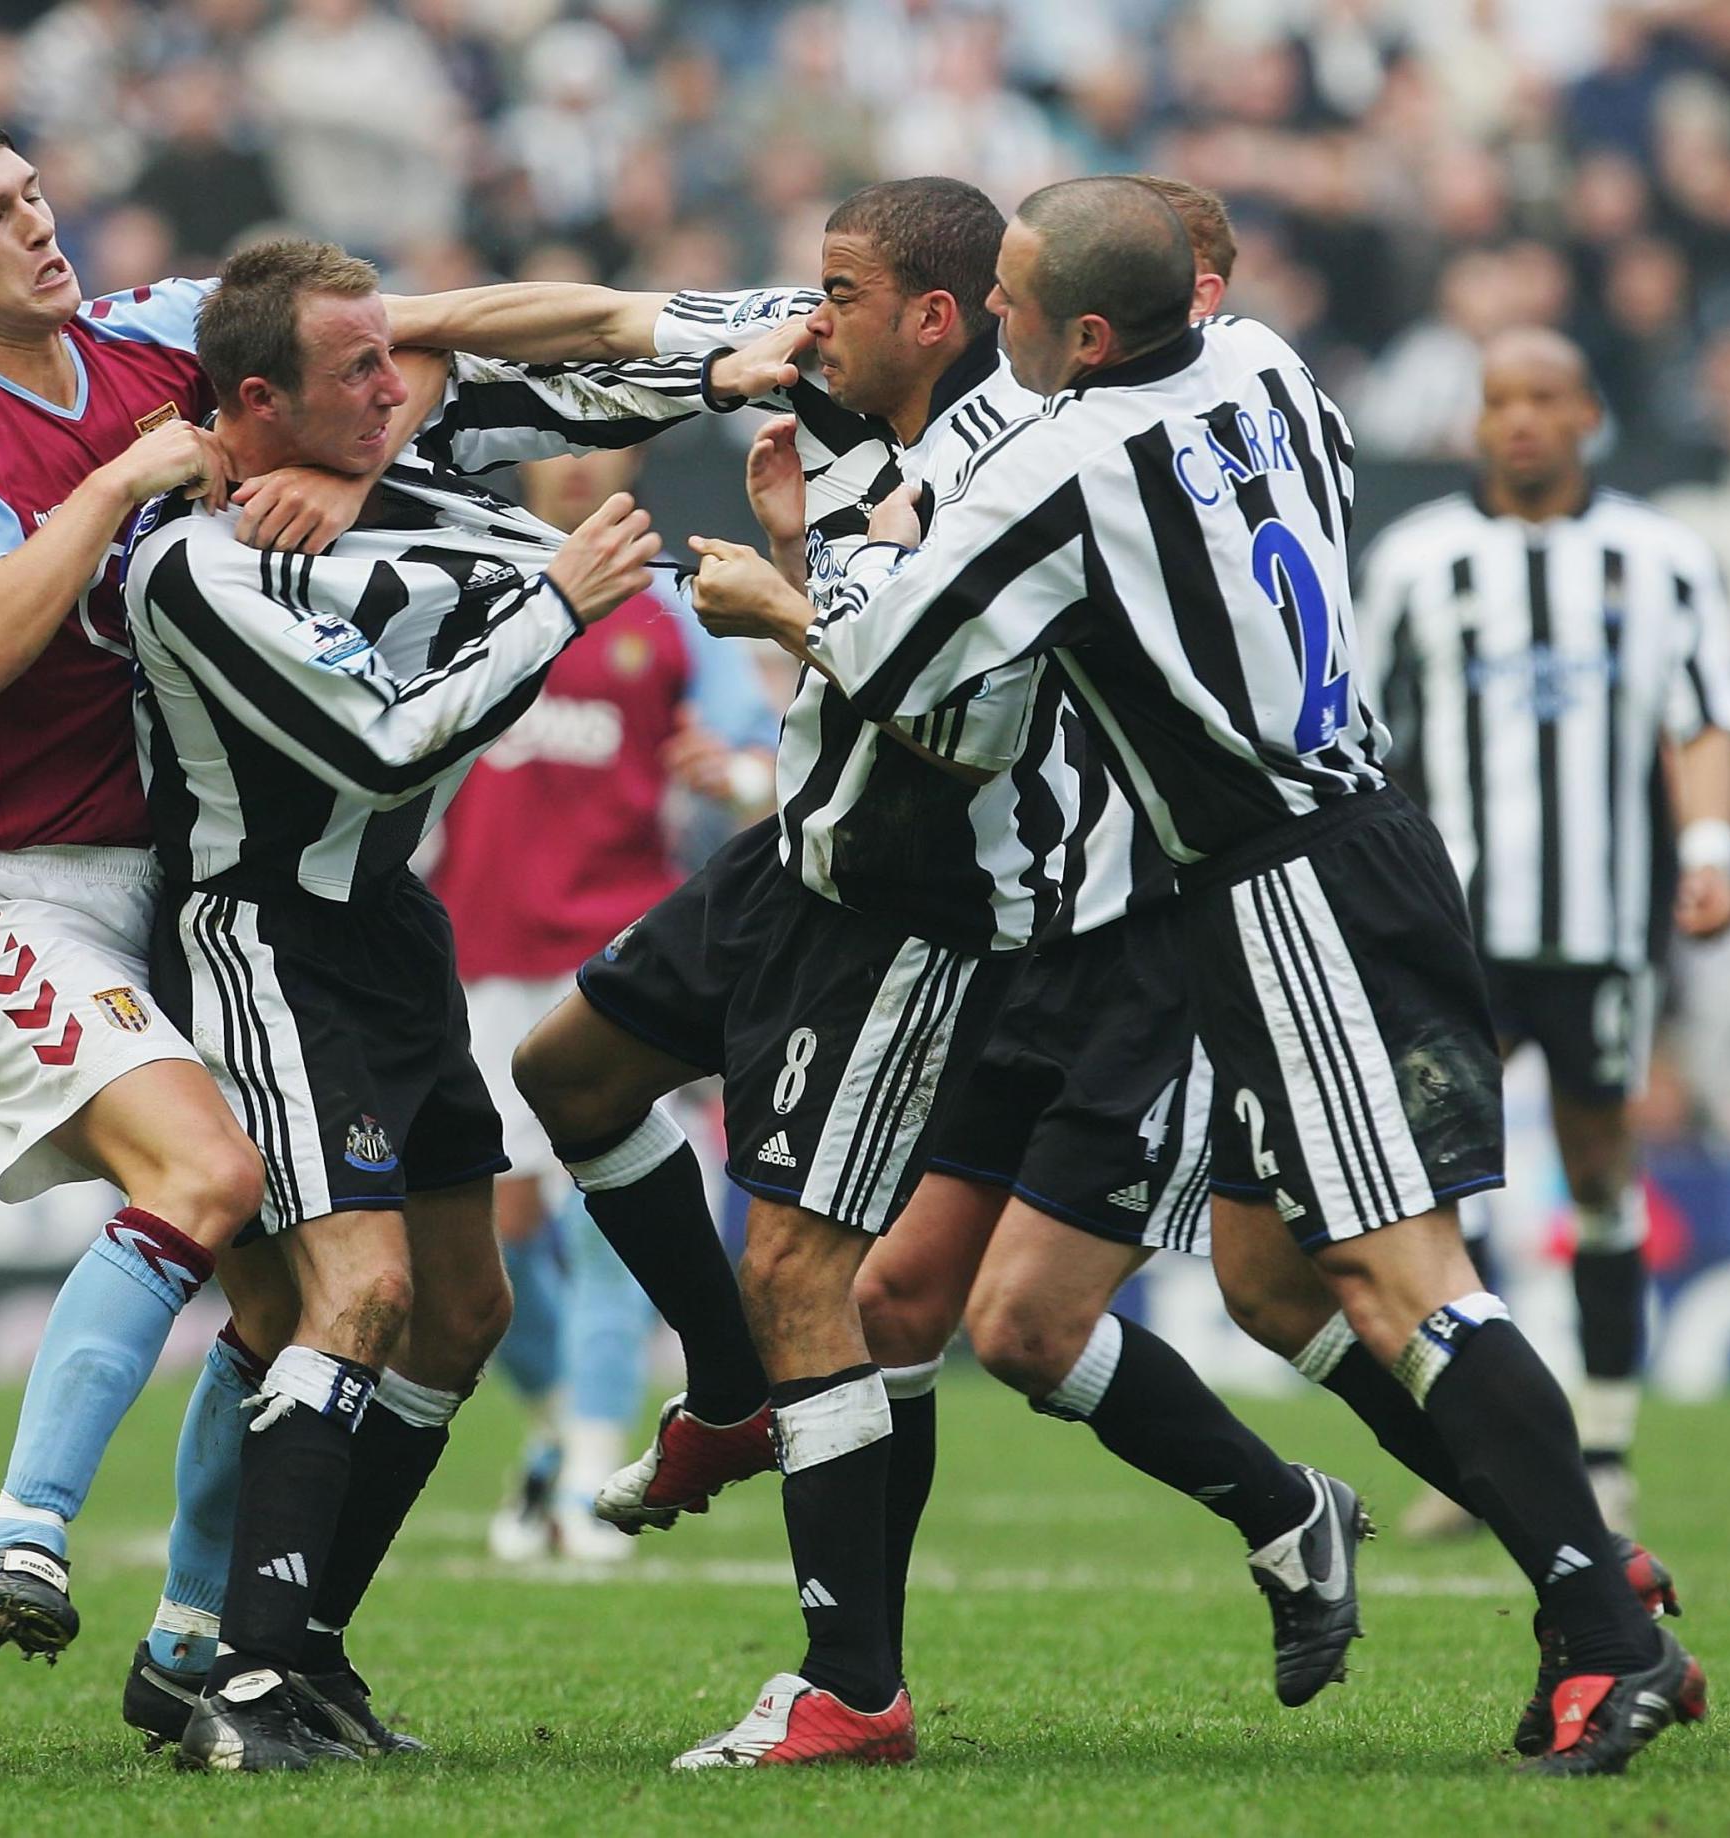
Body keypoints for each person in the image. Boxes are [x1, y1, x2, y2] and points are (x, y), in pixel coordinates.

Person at [693, 175, 1709, 1779]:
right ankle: (1576, 1553)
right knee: (1275, 1283)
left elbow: (895, 667)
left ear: (1086, 331)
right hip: (1325, 850)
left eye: (1015, 306)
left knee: (1401, 1276)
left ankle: (1604, 1623)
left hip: (1281, 879)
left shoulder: (1053, 463)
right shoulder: (1269, 366)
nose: (996, 330)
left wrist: (782, 582)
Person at [385, 177, 1106, 1769]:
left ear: (932, 318)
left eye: (837, 292)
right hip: (799, 849)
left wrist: (780, 593)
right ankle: (725, 1381)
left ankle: (850, 1686)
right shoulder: (819, 360)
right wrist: (402, 321)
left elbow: (964, 724)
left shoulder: (1014, 472)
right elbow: (598, 320)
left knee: (804, 1270)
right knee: (567, 1073)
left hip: (918, 897)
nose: (804, 314)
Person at [122, 238, 711, 1771]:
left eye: (396, 361)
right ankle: (233, 1682)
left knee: (462, 1311)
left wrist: (735, 360)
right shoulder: (194, 560)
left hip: (390, 931)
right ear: (257, 398)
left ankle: (300, 1645)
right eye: (362, 373)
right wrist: (561, 601)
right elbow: (384, 746)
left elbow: (529, 457)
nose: (400, 393)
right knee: (363, 1295)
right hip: (268, 939)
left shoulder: (375, 495)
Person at [0, 105, 381, 1667]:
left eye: (34, 193)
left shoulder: (150, 330)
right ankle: (21, 1535)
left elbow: (399, 331)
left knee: (285, 1291)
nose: (40, 223)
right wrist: (125, 480)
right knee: (209, 1182)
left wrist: (704, 330)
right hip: (1, 890)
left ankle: (193, 1644)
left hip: (171, 895)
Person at [1359, 326, 1730, 1539]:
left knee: (1596, 1166)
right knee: (1439, 1181)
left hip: (1598, 924)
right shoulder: (1418, 560)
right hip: (1453, 928)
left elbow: (1702, 720)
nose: (1518, 418)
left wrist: (1707, 850)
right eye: (1496, 400)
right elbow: (1362, 741)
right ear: (1473, 422)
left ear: (1587, 411)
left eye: (1542, 396)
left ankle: (1605, 1441)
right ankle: (1478, 1453)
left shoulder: (1660, 556)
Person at [428, 443, 778, 1567]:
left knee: (608, 1224)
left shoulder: (668, 603)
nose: (576, 465)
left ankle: (587, 1471)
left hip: (613, 958)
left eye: (597, 443)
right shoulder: (470, 583)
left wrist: (724, 772)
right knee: (491, 1244)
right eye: (555, 445)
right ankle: (549, 1431)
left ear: (628, 453)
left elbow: (765, 762)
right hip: (479, 956)